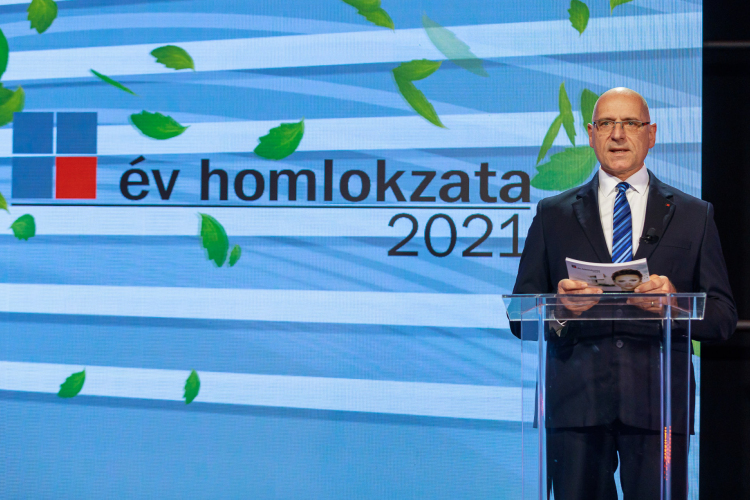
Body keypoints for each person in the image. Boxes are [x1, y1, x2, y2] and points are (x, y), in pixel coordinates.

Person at [511, 87, 737, 500]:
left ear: (651, 134)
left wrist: (674, 306)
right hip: (575, 407)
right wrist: (561, 309)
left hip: (657, 408)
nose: (618, 134)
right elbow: (519, 314)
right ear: (591, 134)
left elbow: (722, 316)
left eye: (630, 123)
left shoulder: (694, 215)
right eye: (606, 124)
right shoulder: (552, 214)